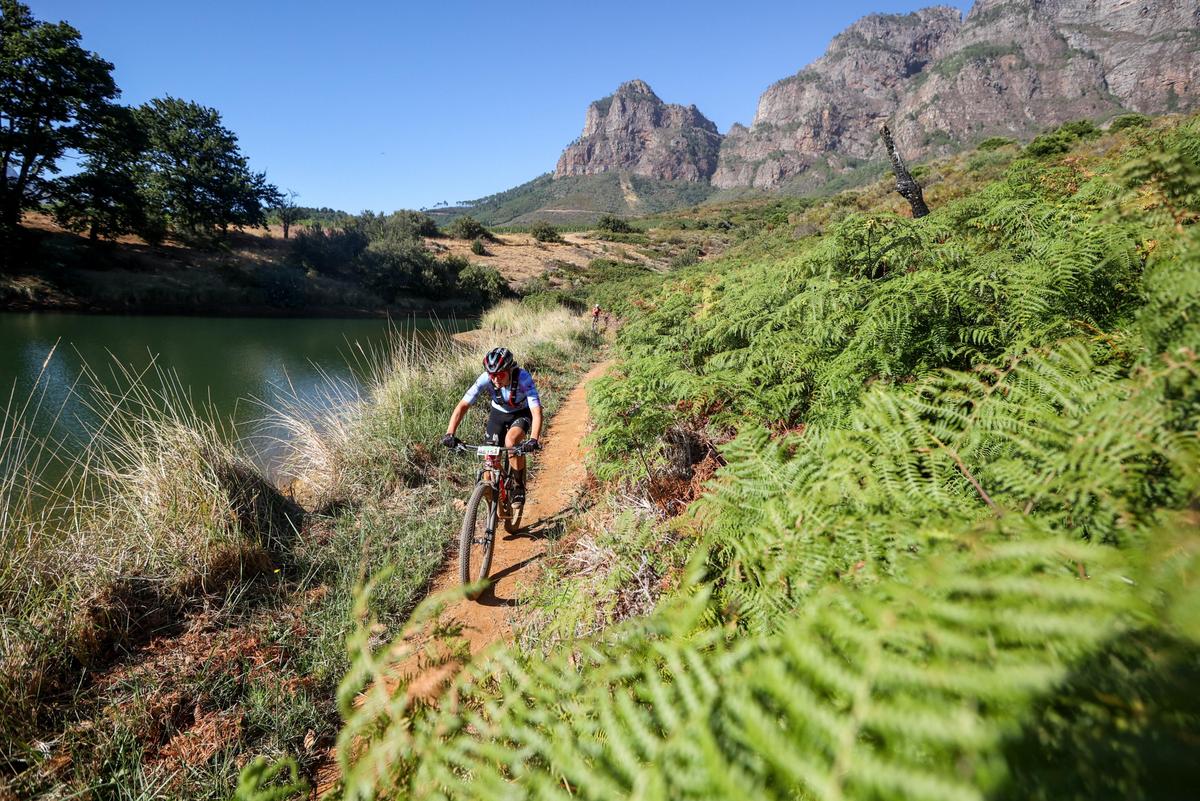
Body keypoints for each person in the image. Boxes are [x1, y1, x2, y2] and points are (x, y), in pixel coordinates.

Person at [442, 346, 542, 504]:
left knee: (511, 442)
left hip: (521, 413)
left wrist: (533, 439)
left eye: (500, 375)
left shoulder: (523, 378)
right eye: (492, 375)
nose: (495, 379)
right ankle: (492, 506)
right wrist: (449, 433)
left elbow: (536, 411)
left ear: (509, 370)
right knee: (489, 464)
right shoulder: (485, 379)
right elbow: (462, 406)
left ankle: (518, 486)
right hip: (498, 414)